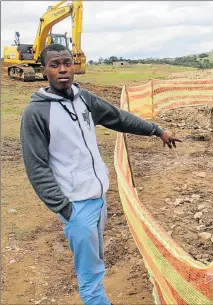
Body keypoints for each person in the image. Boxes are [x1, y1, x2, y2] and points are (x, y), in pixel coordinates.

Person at [20, 43, 182, 305]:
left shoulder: (85, 99)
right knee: (90, 276)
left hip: (99, 198)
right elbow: (36, 165)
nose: (63, 69)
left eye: (67, 63)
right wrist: (64, 207)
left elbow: (118, 118)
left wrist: (156, 130)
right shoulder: (36, 113)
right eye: (54, 65)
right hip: (75, 204)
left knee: (96, 259)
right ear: (44, 70)